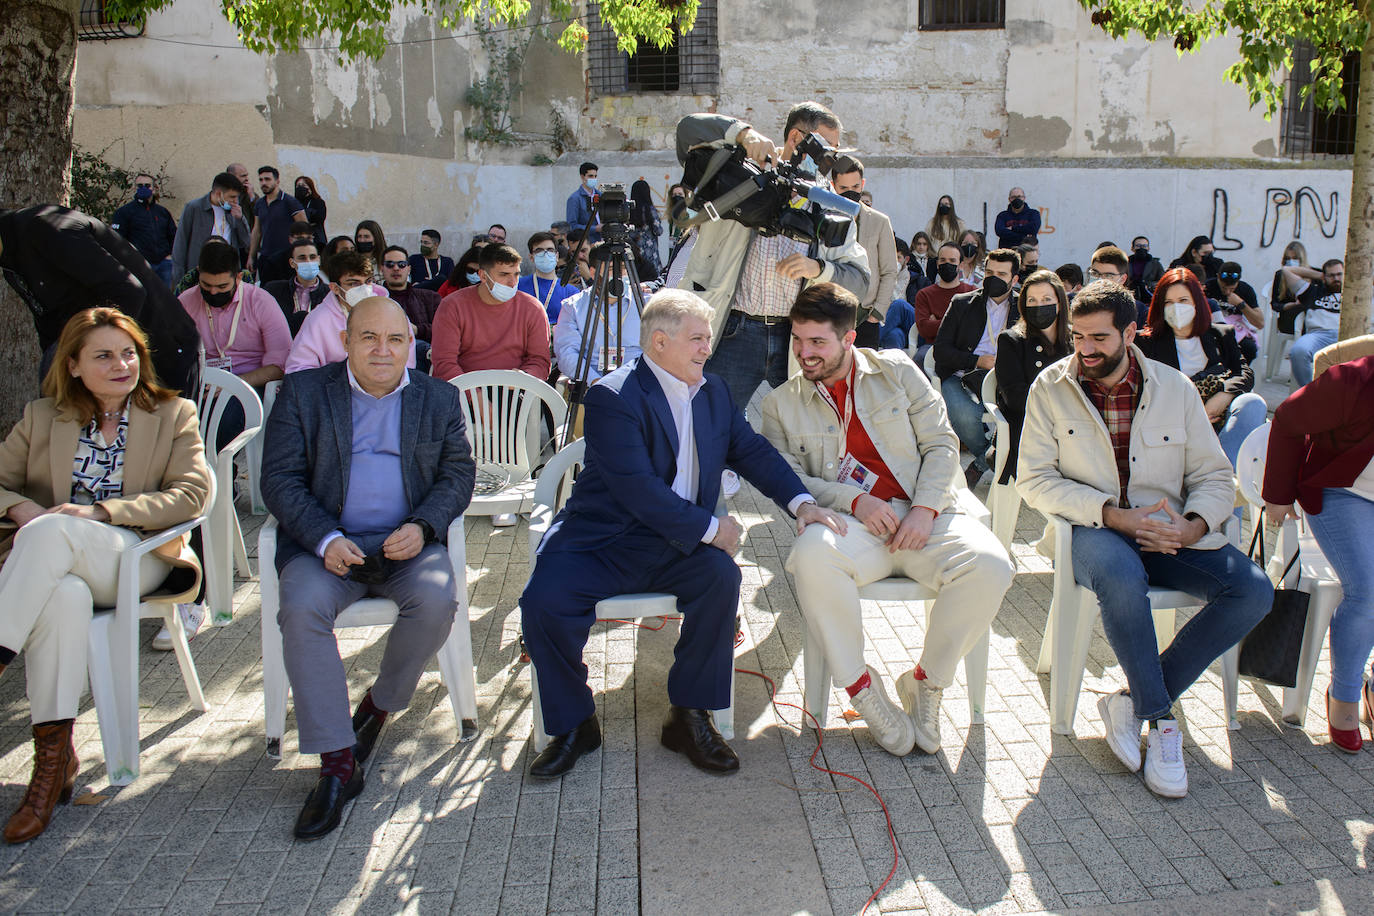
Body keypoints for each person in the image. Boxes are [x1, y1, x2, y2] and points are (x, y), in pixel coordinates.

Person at [519, 290, 844, 778]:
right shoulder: (613, 395)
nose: (706, 349)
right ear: (659, 341)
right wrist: (713, 528)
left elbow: (752, 451)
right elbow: (638, 490)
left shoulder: (712, 390)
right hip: (603, 540)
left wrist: (802, 504)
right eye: (697, 339)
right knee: (544, 601)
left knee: (720, 580)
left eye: (708, 338)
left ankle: (689, 716)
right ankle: (573, 724)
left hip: (674, 543)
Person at [1017, 280, 1272, 798]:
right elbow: (1034, 480)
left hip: (1171, 536)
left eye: (1099, 338)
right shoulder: (1049, 386)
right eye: (1078, 337)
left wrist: (1194, 525)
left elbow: (1215, 477)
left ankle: (1128, 701)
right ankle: (1161, 721)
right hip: (1094, 534)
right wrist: (1113, 516)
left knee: (1254, 591)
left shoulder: (1175, 388)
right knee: (1119, 572)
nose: (1086, 349)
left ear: (1131, 333)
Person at [762, 284, 1013, 755]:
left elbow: (941, 444)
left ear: (849, 337)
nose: (804, 353)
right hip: (852, 524)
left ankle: (926, 684)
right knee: (811, 556)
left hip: (925, 512)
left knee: (992, 566)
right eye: (798, 340)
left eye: (817, 342)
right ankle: (861, 688)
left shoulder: (898, 370)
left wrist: (923, 508)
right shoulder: (780, 404)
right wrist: (854, 500)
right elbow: (786, 480)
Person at [261, 296, 475, 839]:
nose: (383, 350)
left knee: (437, 601)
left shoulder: (438, 398)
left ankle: (378, 707)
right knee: (302, 610)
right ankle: (336, 764)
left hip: (406, 546)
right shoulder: (304, 394)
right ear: (346, 342)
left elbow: (457, 476)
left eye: (396, 340)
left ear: (411, 345)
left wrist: (425, 526)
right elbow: (280, 480)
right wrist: (324, 537)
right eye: (369, 338)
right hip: (327, 550)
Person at [0, 307, 211, 843]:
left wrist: (100, 513)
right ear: (71, 365)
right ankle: (52, 768)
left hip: (132, 557)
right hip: (56, 564)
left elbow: (192, 494)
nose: (121, 364)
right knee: (63, 595)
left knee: (51, 534)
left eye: (128, 353)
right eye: (103, 355)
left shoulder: (172, 413)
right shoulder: (43, 416)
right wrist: (21, 509)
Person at [673, 102, 871, 412]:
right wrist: (742, 134)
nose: (830, 161)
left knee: (800, 438)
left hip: (796, 340)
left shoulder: (826, 202)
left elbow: (860, 280)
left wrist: (818, 268)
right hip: (732, 331)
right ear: (796, 136)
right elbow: (687, 129)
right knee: (708, 424)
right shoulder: (741, 171)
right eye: (826, 149)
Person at [1263, 352, 1374, 752]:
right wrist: (1277, 493)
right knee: (1366, 590)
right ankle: (1343, 696)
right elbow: (1289, 419)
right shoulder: (1353, 381)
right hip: (1344, 491)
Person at [0, 204, 202, 396]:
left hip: (161, 352)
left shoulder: (45, 227)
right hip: (105, 358)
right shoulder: (11, 253)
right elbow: (48, 323)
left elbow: (129, 291)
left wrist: (92, 353)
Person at [1135, 268, 1266, 467]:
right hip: (1172, 423)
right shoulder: (1145, 342)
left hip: (1216, 418)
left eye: (1183, 301)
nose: (1176, 308)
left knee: (1252, 403)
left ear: (1197, 302)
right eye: (1168, 302)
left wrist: (1223, 395)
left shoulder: (1221, 334)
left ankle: (1225, 472)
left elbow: (1244, 372)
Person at [178, 240, 291, 446]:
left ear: (238, 277)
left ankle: (220, 472)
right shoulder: (186, 302)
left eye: (222, 286)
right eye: (206, 285)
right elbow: (176, 353)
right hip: (202, 385)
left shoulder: (261, 301)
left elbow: (280, 367)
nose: (213, 293)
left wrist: (234, 383)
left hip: (250, 384)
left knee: (224, 418)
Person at [934, 248, 1020, 488]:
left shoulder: (1024, 306)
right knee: (964, 415)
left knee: (1019, 417)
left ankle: (981, 464)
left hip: (1005, 378)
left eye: (1001, 274)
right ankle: (990, 458)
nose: (992, 278)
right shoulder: (963, 303)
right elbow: (941, 350)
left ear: (1014, 279)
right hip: (963, 375)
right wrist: (976, 360)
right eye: (989, 271)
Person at [429, 243, 551, 382]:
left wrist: (525, 377)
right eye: (504, 274)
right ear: (483, 276)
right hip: (463, 391)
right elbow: (444, 363)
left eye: (516, 274)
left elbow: (540, 362)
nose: (512, 282)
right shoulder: (452, 306)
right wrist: (476, 398)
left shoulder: (533, 308)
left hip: (516, 391)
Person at [994, 269, 1071, 486]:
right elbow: (1016, 398)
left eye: (1046, 299)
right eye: (1032, 300)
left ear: (1059, 302)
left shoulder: (1076, 339)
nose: (1039, 305)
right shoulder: (1011, 341)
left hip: (1074, 429)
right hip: (1030, 431)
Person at [285, 250, 417, 373]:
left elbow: (407, 360)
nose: (364, 288)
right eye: (354, 283)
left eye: (368, 281)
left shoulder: (392, 311)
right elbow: (298, 368)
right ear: (334, 288)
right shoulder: (318, 320)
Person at [831, 156, 898, 348]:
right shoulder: (824, 216)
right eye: (843, 188)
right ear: (833, 185)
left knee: (864, 376)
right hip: (833, 315)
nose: (850, 192)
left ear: (862, 184)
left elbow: (889, 270)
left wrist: (877, 313)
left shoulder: (880, 221)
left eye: (855, 187)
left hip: (866, 317)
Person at [552, 277, 643, 383]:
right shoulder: (573, 306)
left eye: (623, 268)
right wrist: (595, 381)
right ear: (592, 272)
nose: (618, 273)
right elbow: (567, 354)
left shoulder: (645, 301)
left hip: (639, 386)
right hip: (591, 386)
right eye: (609, 268)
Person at [171, 172, 251, 282]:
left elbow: (245, 242)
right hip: (200, 272)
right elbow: (181, 244)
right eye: (232, 197)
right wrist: (179, 278)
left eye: (237, 197)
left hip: (228, 272)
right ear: (219, 194)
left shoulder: (233, 211)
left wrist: (240, 219)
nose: (235, 201)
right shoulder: (194, 208)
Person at [1283, 258, 1344, 387]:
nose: (1336, 278)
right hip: (1319, 335)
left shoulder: (1358, 292)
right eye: (1331, 275)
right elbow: (1287, 270)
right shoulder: (1312, 291)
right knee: (1298, 351)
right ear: (1324, 276)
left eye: (1339, 274)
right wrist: (1319, 275)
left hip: (1348, 335)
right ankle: (1310, 392)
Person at [379, 245, 441, 372]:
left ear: (408, 269)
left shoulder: (430, 297)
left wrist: (417, 330)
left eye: (401, 264)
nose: (396, 268)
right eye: (390, 264)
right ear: (381, 269)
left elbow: (444, 331)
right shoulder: (373, 301)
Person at [109, 173, 178, 285]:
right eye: (140, 186)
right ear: (134, 188)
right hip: (139, 265)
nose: (144, 188)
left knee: (164, 300)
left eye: (147, 185)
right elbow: (117, 239)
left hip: (164, 266)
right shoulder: (124, 212)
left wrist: (170, 257)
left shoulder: (162, 212)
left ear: (154, 188)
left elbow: (173, 236)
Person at [912, 242, 973, 365]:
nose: (947, 264)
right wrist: (958, 322)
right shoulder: (924, 294)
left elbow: (972, 328)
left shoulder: (972, 293)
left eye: (952, 260)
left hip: (963, 349)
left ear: (960, 265)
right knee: (920, 359)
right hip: (932, 346)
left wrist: (937, 322)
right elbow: (924, 329)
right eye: (943, 260)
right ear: (937, 264)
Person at [247, 166, 307, 283]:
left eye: (268, 179)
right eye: (261, 180)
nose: (264, 183)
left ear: (277, 181)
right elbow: (257, 231)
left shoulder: (290, 202)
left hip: (286, 258)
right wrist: (251, 256)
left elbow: (304, 229)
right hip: (266, 258)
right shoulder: (259, 204)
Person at [264, 238, 330, 336]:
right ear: (292, 263)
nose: (308, 261)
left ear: (319, 260)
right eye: (302, 258)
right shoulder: (274, 291)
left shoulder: (330, 294)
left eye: (312, 257)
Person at [1205, 261, 1264, 362]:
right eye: (1224, 288)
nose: (1227, 292)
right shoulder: (1208, 286)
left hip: (1235, 329)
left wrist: (1241, 304)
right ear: (1218, 277)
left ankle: (1239, 373)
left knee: (1249, 348)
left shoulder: (1246, 290)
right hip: (1212, 325)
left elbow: (1260, 323)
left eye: (1232, 288)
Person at [517, 232, 579, 325]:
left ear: (557, 256)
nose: (545, 254)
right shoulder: (518, 286)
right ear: (531, 257)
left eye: (550, 250)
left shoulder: (571, 292)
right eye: (539, 250)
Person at [1089, 244, 1149, 327]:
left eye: (1108, 275)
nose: (1100, 280)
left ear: (1122, 279)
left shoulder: (1138, 310)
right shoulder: (1079, 304)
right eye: (1095, 273)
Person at [1269, 241, 1308, 340]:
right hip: (1288, 320)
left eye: (1295, 258)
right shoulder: (1280, 275)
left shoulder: (1311, 275)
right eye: (1287, 259)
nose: (1291, 262)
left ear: (1301, 259)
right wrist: (1291, 305)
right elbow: (1274, 304)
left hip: (1308, 321)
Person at [629, 179, 664, 281]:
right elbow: (659, 231)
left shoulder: (629, 211)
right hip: (650, 250)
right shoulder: (649, 210)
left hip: (635, 251)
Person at [566, 162, 601, 244]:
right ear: (582, 177)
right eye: (590, 176)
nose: (594, 179)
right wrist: (595, 228)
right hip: (588, 241)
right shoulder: (574, 199)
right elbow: (572, 226)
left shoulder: (600, 195)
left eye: (595, 176)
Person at [292, 176, 328, 247]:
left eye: (303, 185)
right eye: (298, 186)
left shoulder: (318, 202)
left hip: (317, 240)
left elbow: (319, 218)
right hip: (299, 241)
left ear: (310, 188)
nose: (300, 188)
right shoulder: (294, 204)